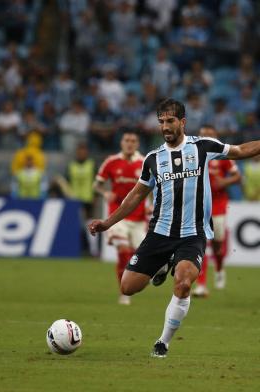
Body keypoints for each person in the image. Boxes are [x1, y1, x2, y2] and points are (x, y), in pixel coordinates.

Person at [88, 98, 260, 357]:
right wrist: (107, 222)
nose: (165, 127)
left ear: (182, 122)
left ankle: (163, 342)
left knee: (183, 284)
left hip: (193, 235)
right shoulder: (153, 159)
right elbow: (135, 195)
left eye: (170, 121)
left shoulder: (203, 147)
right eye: (161, 122)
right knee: (128, 287)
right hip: (159, 233)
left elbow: (240, 150)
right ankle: (164, 262)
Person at [93, 129, 146, 305]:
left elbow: (153, 186)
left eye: (133, 140)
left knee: (140, 258)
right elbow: (97, 185)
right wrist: (105, 193)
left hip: (139, 219)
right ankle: (124, 292)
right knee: (123, 251)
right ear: (121, 143)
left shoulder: (145, 162)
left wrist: (152, 204)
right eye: (126, 140)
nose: (129, 143)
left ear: (137, 144)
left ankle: (136, 279)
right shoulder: (111, 162)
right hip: (117, 216)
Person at [193, 125, 241, 297]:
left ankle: (219, 267)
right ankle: (201, 284)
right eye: (203, 134)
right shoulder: (192, 154)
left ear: (216, 136)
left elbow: (237, 176)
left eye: (210, 135)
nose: (206, 137)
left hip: (219, 205)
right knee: (202, 243)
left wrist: (224, 183)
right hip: (199, 205)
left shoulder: (223, 154)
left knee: (217, 245)